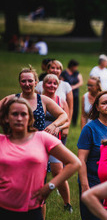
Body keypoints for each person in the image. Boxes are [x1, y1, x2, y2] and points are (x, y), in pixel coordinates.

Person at [0, 97, 80, 220]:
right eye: (14, 114)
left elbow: (74, 163)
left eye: (24, 114)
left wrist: (50, 186)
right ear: (6, 117)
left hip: (31, 208)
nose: (19, 118)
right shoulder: (1, 141)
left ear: (30, 117)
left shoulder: (42, 138)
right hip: (2, 207)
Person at [77, 91, 107, 220]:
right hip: (93, 184)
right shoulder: (90, 128)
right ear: (97, 107)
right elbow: (81, 159)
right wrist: (85, 187)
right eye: (104, 103)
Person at [0, 66, 68, 133]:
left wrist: (53, 125)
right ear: (19, 83)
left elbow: (63, 115)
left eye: (30, 81)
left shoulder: (43, 100)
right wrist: (5, 124)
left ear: (36, 83)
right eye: (23, 81)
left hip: (38, 141)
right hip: (16, 140)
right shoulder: (12, 99)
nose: (27, 84)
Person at [42, 74, 72, 212]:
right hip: (37, 139)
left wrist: (57, 127)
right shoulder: (37, 99)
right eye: (49, 83)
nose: (52, 86)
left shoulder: (61, 101)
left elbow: (67, 122)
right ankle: (38, 202)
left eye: (55, 83)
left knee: (58, 171)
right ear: (43, 84)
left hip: (54, 140)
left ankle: (67, 203)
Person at [36, 59, 74, 125]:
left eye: (58, 68)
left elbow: (70, 108)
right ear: (48, 70)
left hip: (59, 123)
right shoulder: (40, 85)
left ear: (61, 71)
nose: (55, 70)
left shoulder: (66, 86)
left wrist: (67, 125)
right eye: (52, 68)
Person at [61, 59, 84, 126]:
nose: (76, 68)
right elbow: (62, 81)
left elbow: (81, 82)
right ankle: (65, 120)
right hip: (67, 94)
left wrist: (73, 87)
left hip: (75, 94)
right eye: (75, 66)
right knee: (67, 107)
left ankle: (74, 123)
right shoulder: (64, 73)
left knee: (76, 108)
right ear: (71, 66)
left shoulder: (76, 73)